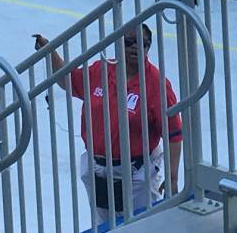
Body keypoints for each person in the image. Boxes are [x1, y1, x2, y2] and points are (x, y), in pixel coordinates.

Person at [38, 25, 183, 220]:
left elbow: (174, 133)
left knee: (142, 230)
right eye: (128, 42)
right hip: (98, 171)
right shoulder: (101, 70)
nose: (135, 48)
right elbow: (69, 80)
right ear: (118, 43)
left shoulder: (156, 83)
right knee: (104, 231)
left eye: (142, 43)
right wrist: (50, 52)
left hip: (137, 174)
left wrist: (172, 178)